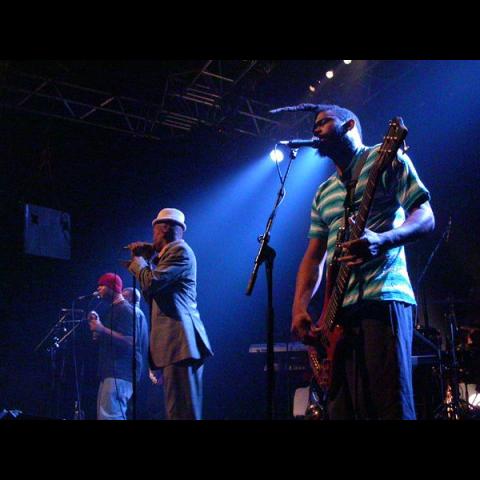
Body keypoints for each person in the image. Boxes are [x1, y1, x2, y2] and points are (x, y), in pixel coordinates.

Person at [291, 104, 435, 420]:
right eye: (314, 125)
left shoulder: (385, 157)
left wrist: (383, 240)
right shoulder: (323, 192)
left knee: (390, 407)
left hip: (383, 298)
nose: (315, 129)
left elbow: (425, 216)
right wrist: (299, 307)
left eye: (324, 121)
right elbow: (314, 257)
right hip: (337, 318)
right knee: (341, 411)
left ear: (350, 125)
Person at [124, 208, 213, 420]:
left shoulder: (179, 250)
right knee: (177, 411)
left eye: (154, 232)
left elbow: (151, 283)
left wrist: (138, 262)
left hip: (180, 342)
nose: (152, 237)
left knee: (183, 413)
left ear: (164, 229)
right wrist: (150, 260)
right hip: (176, 346)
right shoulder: (169, 256)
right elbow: (153, 295)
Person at [87, 272, 148, 420]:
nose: (98, 289)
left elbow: (130, 341)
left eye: (102, 285)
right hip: (109, 371)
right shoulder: (112, 309)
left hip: (120, 372)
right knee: (105, 416)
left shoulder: (126, 310)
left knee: (111, 416)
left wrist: (102, 329)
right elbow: (111, 337)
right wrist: (98, 331)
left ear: (112, 287)